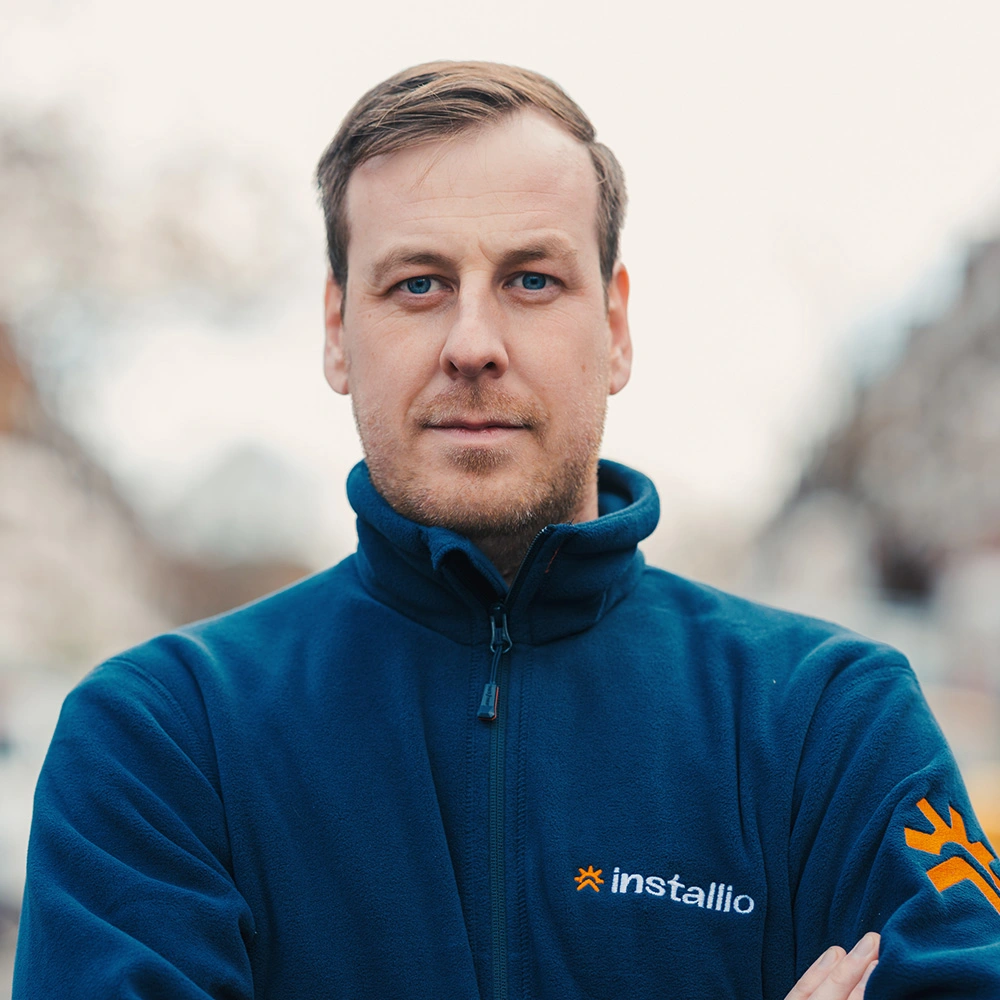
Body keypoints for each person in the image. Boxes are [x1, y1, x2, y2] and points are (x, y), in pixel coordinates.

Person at [13, 61, 1000, 999]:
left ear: (614, 327)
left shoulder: (830, 728)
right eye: (417, 284)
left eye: (531, 280)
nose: (473, 344)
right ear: (334, 330)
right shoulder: (163, 740)